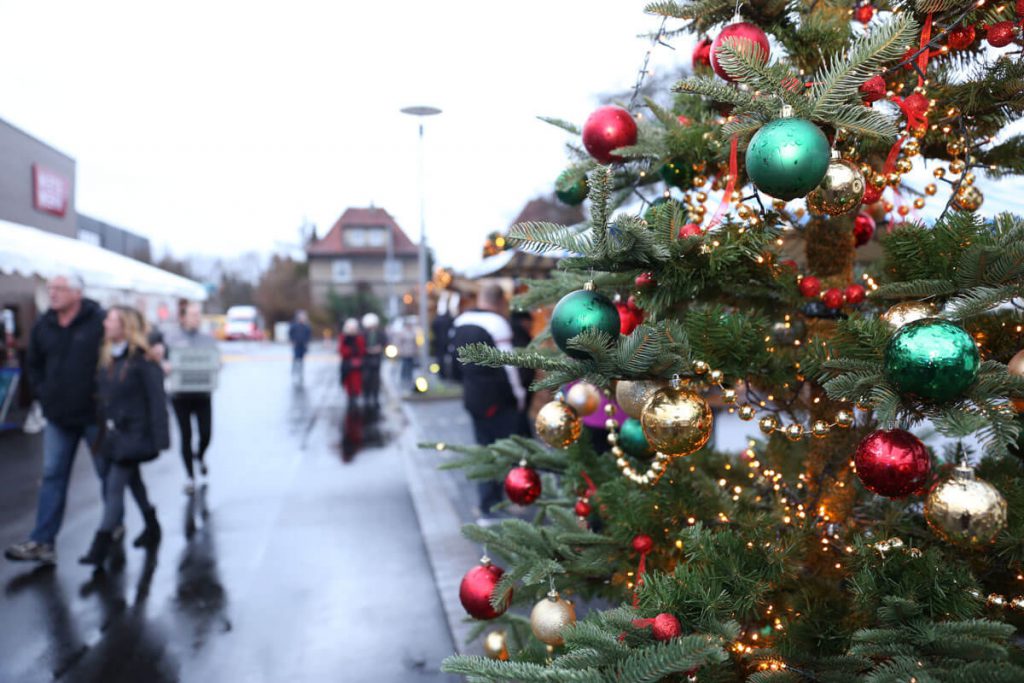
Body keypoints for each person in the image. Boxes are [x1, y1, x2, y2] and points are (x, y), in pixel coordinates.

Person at [5, 275, 105, 565]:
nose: (53, 294)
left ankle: (111, 531)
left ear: (77, 292)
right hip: (58, 416)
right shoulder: (44, 324)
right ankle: (42, 541)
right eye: (50, 289)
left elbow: (130, 340)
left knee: (108, 475)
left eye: (59, 289)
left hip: (93, 416)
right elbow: (33, 364)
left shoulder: (98, 321)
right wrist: (43, 394)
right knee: (52, 476)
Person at [79, 306, 168, 565]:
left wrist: (159, 439)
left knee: (115, 486)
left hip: (135, 435)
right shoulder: (108, 357)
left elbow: (157, 400)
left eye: (111, 319)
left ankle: (101, 543)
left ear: (125, 325)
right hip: (114, 435)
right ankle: (152, 526)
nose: (105, 323)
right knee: (133, 482)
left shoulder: (143, 360)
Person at [450, 283, 527, 521]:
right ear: (500, 301)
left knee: (484, 449)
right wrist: (520, 395)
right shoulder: (497, 324)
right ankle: (508, 500)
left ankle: (487, 502)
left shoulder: (460, 322)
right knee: (507, 451)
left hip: (473, 397)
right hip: (500, 399)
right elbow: (509, 365)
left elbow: (453, 363)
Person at [165, 302, 219, 494]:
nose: (197, 318)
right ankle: (190, 476)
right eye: (193, 315)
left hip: (202, 394)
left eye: (199, 315)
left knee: (206, 433)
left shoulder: (207, 339)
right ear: (183, 317)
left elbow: (216, 362)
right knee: (185, 435)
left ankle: (201, 455)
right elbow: (161, 358)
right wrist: (165, 366)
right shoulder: (171, 338)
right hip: (180, 395)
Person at [361, 313, 385, 408]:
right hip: (366, 360)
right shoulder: (363, 334)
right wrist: (367, 350)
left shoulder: (380, 333)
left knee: (376, 380)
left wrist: (379, 348)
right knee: (366, 379)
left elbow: (384, 342)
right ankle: (366, 397)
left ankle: (375, 398)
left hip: (377, 360)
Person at [338, 318, 365, 403]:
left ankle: (356, 395)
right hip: (347, 363)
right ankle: (350, 395)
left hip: (357, 364)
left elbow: (362, 350)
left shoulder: (359, 338)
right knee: (348, 381)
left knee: (357, 381)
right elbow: (341, 350)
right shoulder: (344, 338)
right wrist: (350, 351)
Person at [289, 310, 313, 385]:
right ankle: (294, 370)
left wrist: (307, 342)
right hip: (297, 344)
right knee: (296, 358)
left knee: (302, 359)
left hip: (303, 345)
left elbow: (309, 335)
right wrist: (292, 340)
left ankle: (300, 372)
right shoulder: (294, 326)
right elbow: (290, 333)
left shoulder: (306, 326)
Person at [395, 317, 417, 386]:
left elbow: (415, 342)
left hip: (411, 352)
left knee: (410, 365)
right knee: (404, 365)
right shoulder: (402, 332)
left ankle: (409, 378)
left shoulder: (413, 332)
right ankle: (403, 378)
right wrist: (400, 350)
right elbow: (399, 343)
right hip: (404, 352)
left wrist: (416, 350)